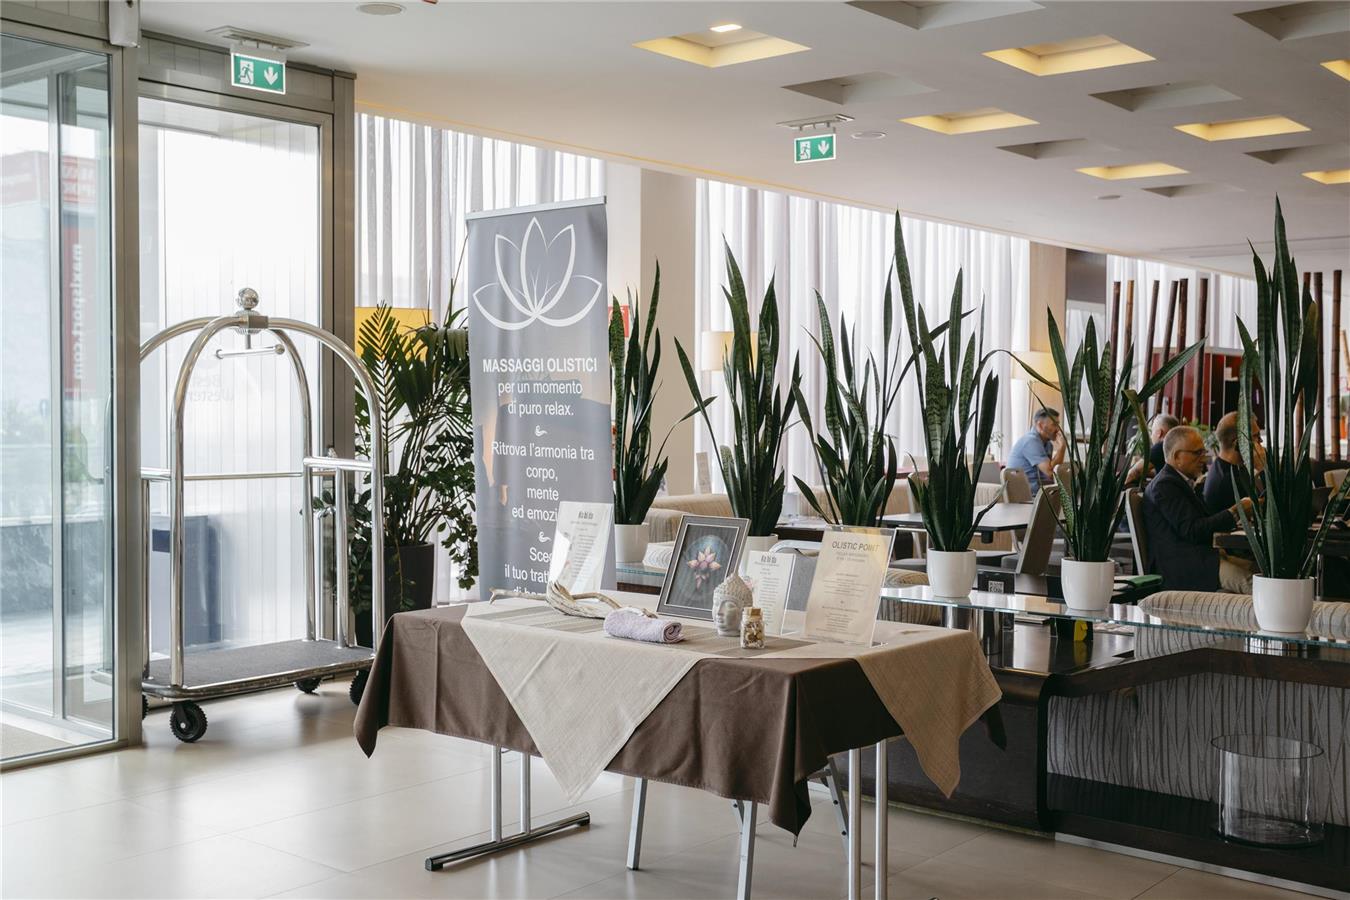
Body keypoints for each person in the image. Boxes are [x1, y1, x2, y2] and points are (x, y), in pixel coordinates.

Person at [1143, 425, 1254, 593]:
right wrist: (1235, 512)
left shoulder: (1181, 482)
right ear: (1177, 456)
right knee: (1252, 585)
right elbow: (1193, 530)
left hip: (1201, 558)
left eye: (1204, 452)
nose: (1204, 459)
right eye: (1197, 453)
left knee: (1259, 571)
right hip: (1182, 567)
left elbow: (1202, 523)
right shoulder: (1164, 485)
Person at [1203, 412, 1265, 515]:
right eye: (1256, 436)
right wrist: (1262, 467)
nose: (1261, 441)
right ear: (1237, 443)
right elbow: (1270, 509)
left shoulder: (1233, 467)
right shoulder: (1228, 480)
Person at [1006, 407, 1065, 495]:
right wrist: (1062, 448)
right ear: (1040, 425)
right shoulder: (1031, 441)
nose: (1058, 429)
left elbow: (1054, 473)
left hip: (1040, 492)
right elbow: (1050, 472)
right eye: (1054, 424)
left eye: (1058, 424)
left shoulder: (1048, 444)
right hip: (1025, 495)